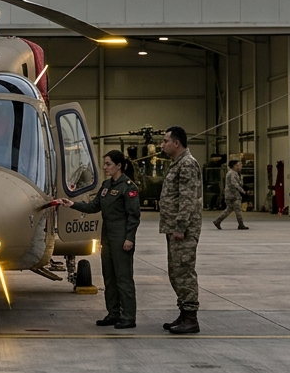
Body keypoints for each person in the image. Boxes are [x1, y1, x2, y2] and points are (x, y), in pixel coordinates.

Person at [60, 150, 142, 329]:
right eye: (104, 164)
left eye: (108, 164)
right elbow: (93, 206)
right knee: (109, 277)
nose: (105, 167)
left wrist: (129, 238)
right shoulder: (106, 186)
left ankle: (128, 316)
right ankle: (113, 313)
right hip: (107, 235)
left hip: (121, 236)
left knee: (123, 278)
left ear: (119, 166)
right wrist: (72, 204)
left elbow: (134, 216)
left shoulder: (128, 187)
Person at [159, 126, 203, 334]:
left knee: (184, 272)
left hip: (182, 231)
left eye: (166, 141)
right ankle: (184, 312)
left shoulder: (186, 164)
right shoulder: (177, 164)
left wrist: (180, 227)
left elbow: (187, 199)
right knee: (175, 272)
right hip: (174, 229)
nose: (163, 144)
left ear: (176, 143)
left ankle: (190, 317)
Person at [212, 158, 248, 230]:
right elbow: (234, 184)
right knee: (238, 210)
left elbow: (239, 183)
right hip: (233, 195)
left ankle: (217, 221)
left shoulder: (236, 174)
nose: (240, 166)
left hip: (231, 194)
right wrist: (242, 191)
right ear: (234, 166)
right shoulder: (232, 173)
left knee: (228, 209)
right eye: (238, 165)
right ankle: (241, 224)